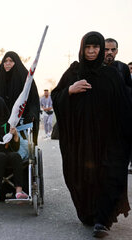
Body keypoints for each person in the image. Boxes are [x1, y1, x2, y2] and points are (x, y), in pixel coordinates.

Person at [51, 31, 132, 238]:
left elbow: (123, 105)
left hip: (109, 139)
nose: (91, 51)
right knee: (84, 177)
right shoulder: (74, 72)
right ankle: (90, 213)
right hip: (82, 141)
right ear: (82, 48)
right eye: (88, 47)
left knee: (110, 174)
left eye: (95, 47)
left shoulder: (111, 75)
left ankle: (102, 221)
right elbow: (57, 96)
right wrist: (70, 90)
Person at [0, 51, 40, 145]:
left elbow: (33, 99)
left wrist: (32, 113)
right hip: (0, 120)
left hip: (20, 119)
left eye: (11, 61)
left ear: (16, 62)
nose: (7, 63)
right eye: (5, 61)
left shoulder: (25, 77)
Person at [104, 39, 132, 175]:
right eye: (106, 49)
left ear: (117, 51)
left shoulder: (123, 68)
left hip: (119, 121)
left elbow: (129, 92)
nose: (109, 52)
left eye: (112, 49)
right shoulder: (94, 68)